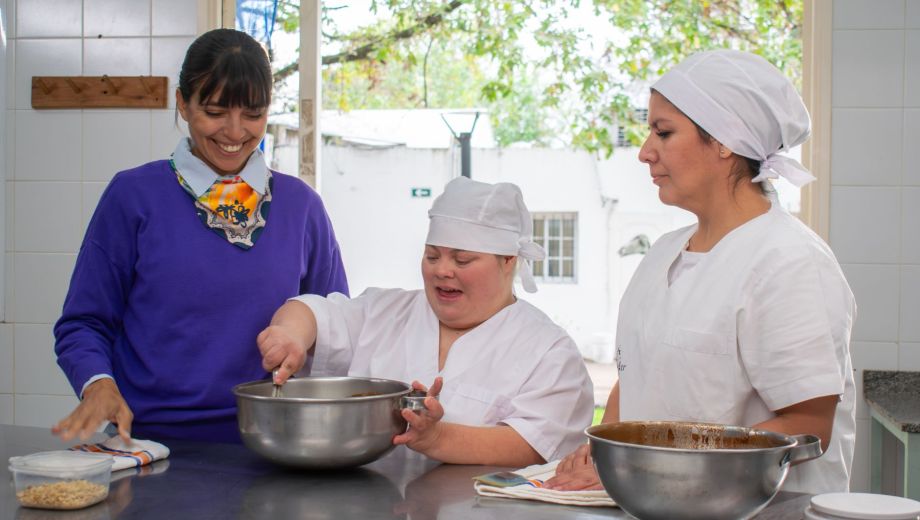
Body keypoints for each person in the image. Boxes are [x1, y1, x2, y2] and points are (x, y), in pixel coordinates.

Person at [546, 49, 856, 494]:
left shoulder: (788, 262)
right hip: (655, 502)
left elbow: (809, 423)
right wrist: (603, 453)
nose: (644, 152)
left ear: (726, 140)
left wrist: (648, 469)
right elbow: (635, 381)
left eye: (663, 132)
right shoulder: (663, 254)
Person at [52, 29, 349, 444]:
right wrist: (97, 383)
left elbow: (338, 323)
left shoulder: (302, 207)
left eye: (253, 114)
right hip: (150, 443)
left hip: (277, 443)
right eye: (215, 111)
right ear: (182, 103)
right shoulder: (133, 197)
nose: (235, 132)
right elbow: (84, 322)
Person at [257, 176, 594, 467]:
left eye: (462, 260)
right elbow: (313, 312)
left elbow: (535, 445)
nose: (442, 270)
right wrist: (289, 334)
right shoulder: (384, 311)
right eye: (432, 255)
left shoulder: (548, 351)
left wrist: (437, 438)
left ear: (508, 260)